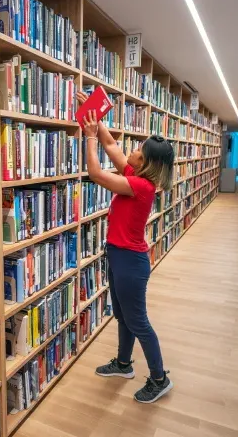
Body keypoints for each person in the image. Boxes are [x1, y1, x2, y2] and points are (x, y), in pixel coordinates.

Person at [77, 91, 175, 403]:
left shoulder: (141, 187)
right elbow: (111, 145)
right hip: (118, 255)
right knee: (122, 314)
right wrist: (94, 114)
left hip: (131, 262)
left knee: (138, 321)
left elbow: (95, 173)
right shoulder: (136, 174)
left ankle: (159, 378)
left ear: (145, 162)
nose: (130, 151)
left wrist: (89, 137)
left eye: (137, 150)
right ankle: (123, 364)